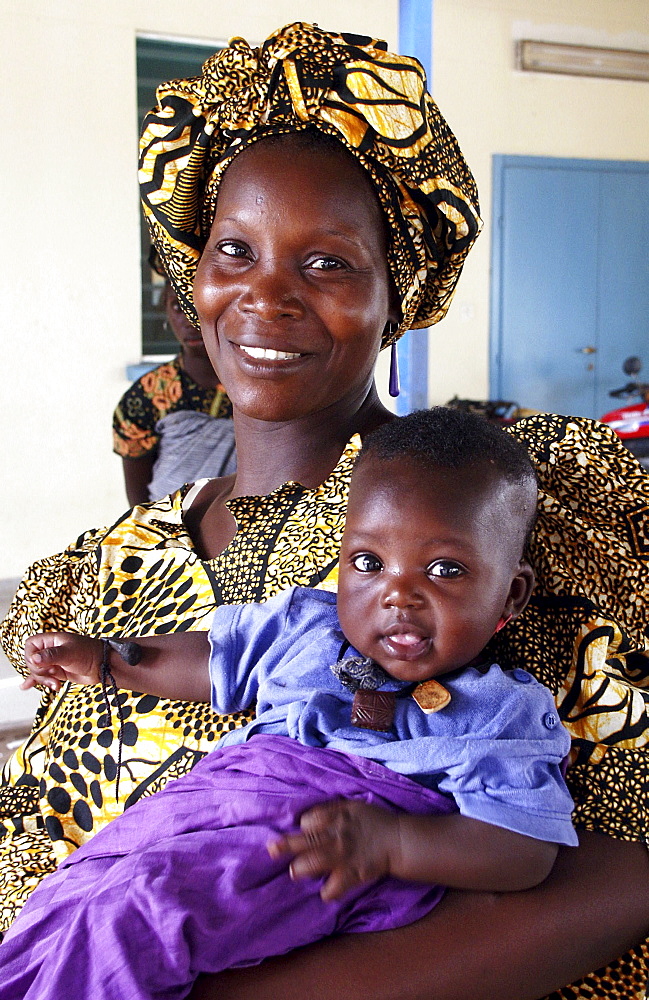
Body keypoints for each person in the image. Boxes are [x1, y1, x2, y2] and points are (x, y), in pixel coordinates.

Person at [0, 22, 647, 1000]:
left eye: (327, 262)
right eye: (235, 249)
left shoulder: (490, 505)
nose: (265, 295)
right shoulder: (107, 562)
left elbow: (615, 870)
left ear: (400, 289)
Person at [2, 409, 577, 1000]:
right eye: (369, 563)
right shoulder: (309, 630)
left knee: (138, 919)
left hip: (309, 849)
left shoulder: (501, 711)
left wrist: (394, 844)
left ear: (511, 593)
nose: (398, 594)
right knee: (63, 903)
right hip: (200, 815)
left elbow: (525, 848)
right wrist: (105, 661)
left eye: (445, 570)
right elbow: (213, 659)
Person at [113, 250, 235, 504]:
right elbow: (139, 507)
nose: (189, 320)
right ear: (166, 314)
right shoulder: (145, 397)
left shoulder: (260, 387)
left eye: (198, 308)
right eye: (178, 308)